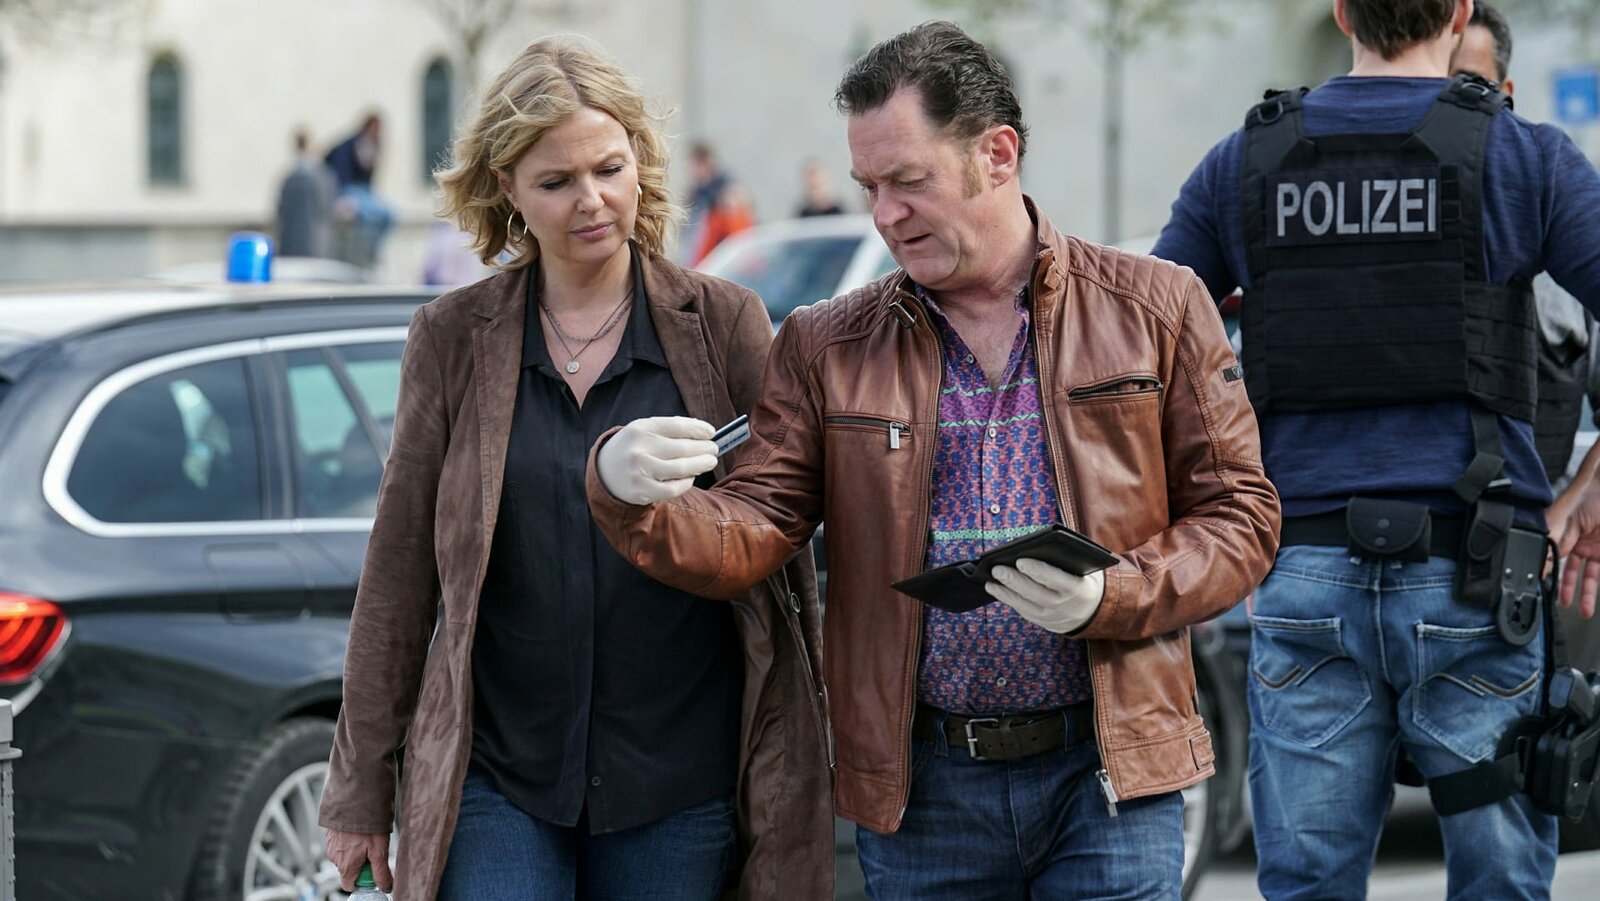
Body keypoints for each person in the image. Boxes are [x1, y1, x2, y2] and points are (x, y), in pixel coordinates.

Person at [588, 20, 1280, 899]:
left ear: (998, 154)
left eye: (908, 181)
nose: (883, 215)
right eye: (869, 187)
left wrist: (1115, 593)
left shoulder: (1157, 305)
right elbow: (755, 523)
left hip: (1108, 779)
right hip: (924, 794)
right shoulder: (826, 344)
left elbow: (1242, 517)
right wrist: (627, 494)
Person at [315, 37, 832, 901]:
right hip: (501, 773)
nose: (591, 200)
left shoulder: (723, 323)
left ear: (640, 163)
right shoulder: (452, 338)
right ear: (507, 189)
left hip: (678, 775)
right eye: (556, 181)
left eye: (609, 168)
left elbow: (777, 529)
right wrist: (361, 787)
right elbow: (399, 572)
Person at [1150, 1, 1600, 897]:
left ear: (1342, 11)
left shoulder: (1248, 159)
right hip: (1478, 576)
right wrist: (1592, 480)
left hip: (1303, 574)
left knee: (1309, 883)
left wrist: (1212, 513)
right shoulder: (1524, 155)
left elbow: (1138, 354)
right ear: (1461, 11)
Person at [1451, 3, 1600, 495]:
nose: (1448, 104)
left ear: (1506, 95)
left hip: (1534, 526)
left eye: (1469, 84)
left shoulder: (1559, 224)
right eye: (1436, 82)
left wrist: (1576, 502)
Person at [325, 113, 395, 266]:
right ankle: (362, 257)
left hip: (363, 191)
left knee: (388, 216)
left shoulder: (372, 146)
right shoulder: (350, 146)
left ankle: (371, 254)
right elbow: (339, 172)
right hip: (348, 190)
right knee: (367, 216)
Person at [274, 129, 336, 258]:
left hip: (295, 239)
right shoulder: (321, 175)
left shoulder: (292, 176)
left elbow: (281, 209)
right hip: (316, 239)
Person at [692, 180, 755, 265]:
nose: (732, 203)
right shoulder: (717, 223)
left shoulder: (747, 224)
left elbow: (741, 242)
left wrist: (736, 215)